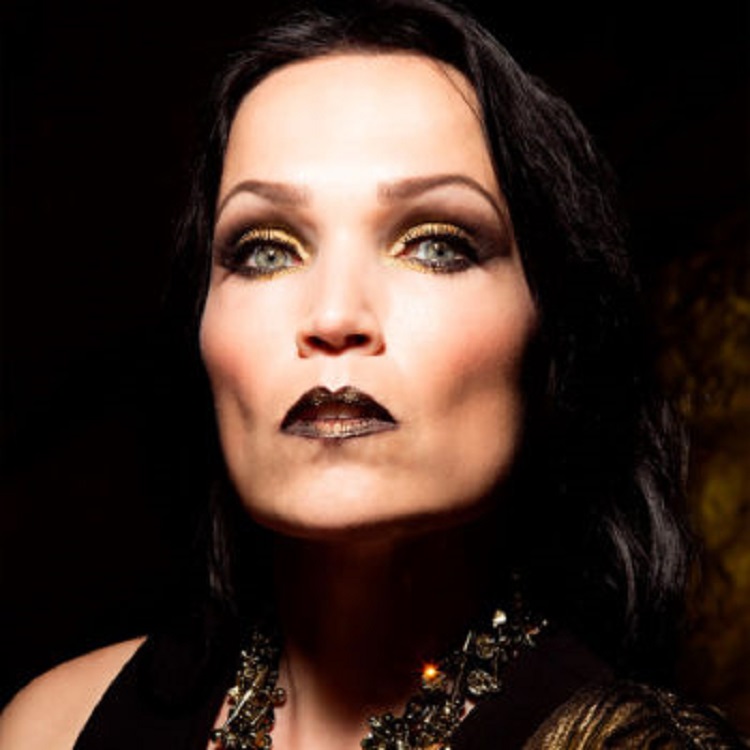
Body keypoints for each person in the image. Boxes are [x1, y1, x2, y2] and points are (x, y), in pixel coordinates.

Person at [0, 1, 745, 748]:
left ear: (553, 330)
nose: (333, 316)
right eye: (266, 250)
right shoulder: (54, 728)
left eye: (436, 245)